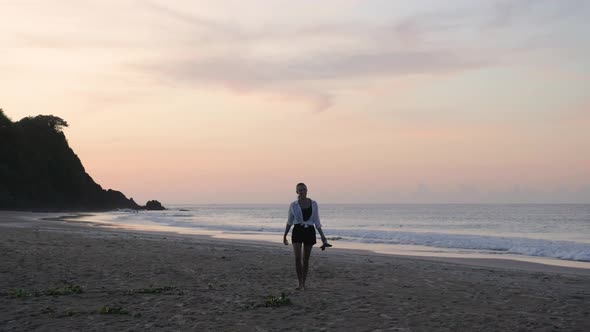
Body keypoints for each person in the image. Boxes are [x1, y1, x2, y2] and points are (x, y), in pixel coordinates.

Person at [283, 183, 331, 290]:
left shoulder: (314, 204)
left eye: (304, 189)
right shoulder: (293, 205)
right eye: (300, 190)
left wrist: (323, 237)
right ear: (297, 192)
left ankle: (303, 283)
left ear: (307, 190)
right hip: (297, 231)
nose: (302, 191)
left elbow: (317, 222)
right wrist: (285, 235)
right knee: (297, 259)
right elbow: (290, 221)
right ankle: (299, 283)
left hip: (309, 231)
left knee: (306, 259)